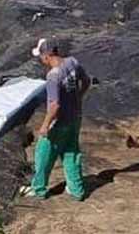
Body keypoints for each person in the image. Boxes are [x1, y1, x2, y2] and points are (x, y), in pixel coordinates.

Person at [20, 37, 91, 201]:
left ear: (47, 56)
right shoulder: (72, 62)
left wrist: (45, 126)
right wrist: (77, 97)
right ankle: (76, 190)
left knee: (43, 154)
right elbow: (86, 81)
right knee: (71, 153)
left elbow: (55, 106)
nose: (40, 59)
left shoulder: (53, 76)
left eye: (40, 56)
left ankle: (38, 189)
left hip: (59, 122)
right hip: (75, 117)